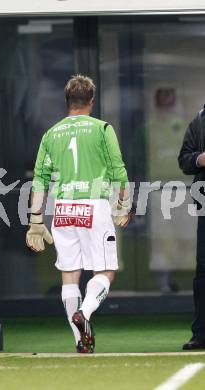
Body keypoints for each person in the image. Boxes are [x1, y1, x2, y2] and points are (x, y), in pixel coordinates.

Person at [26, 75, 132, 353]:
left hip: (63, 210)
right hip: (94, 206)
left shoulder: (51, 134)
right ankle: (84, 313)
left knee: (70, 275)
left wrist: (35, 221)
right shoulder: (102, 129)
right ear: (91, 102)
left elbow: (40, 179)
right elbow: (118, 168)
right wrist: (124, 203)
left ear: (67, 102)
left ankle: (79, 341)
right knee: (106, 271)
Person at [178, 106, 205, 350]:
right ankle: (201, 334)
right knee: (204, 270)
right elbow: (184, 159)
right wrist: (199, 159)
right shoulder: (199, 120)